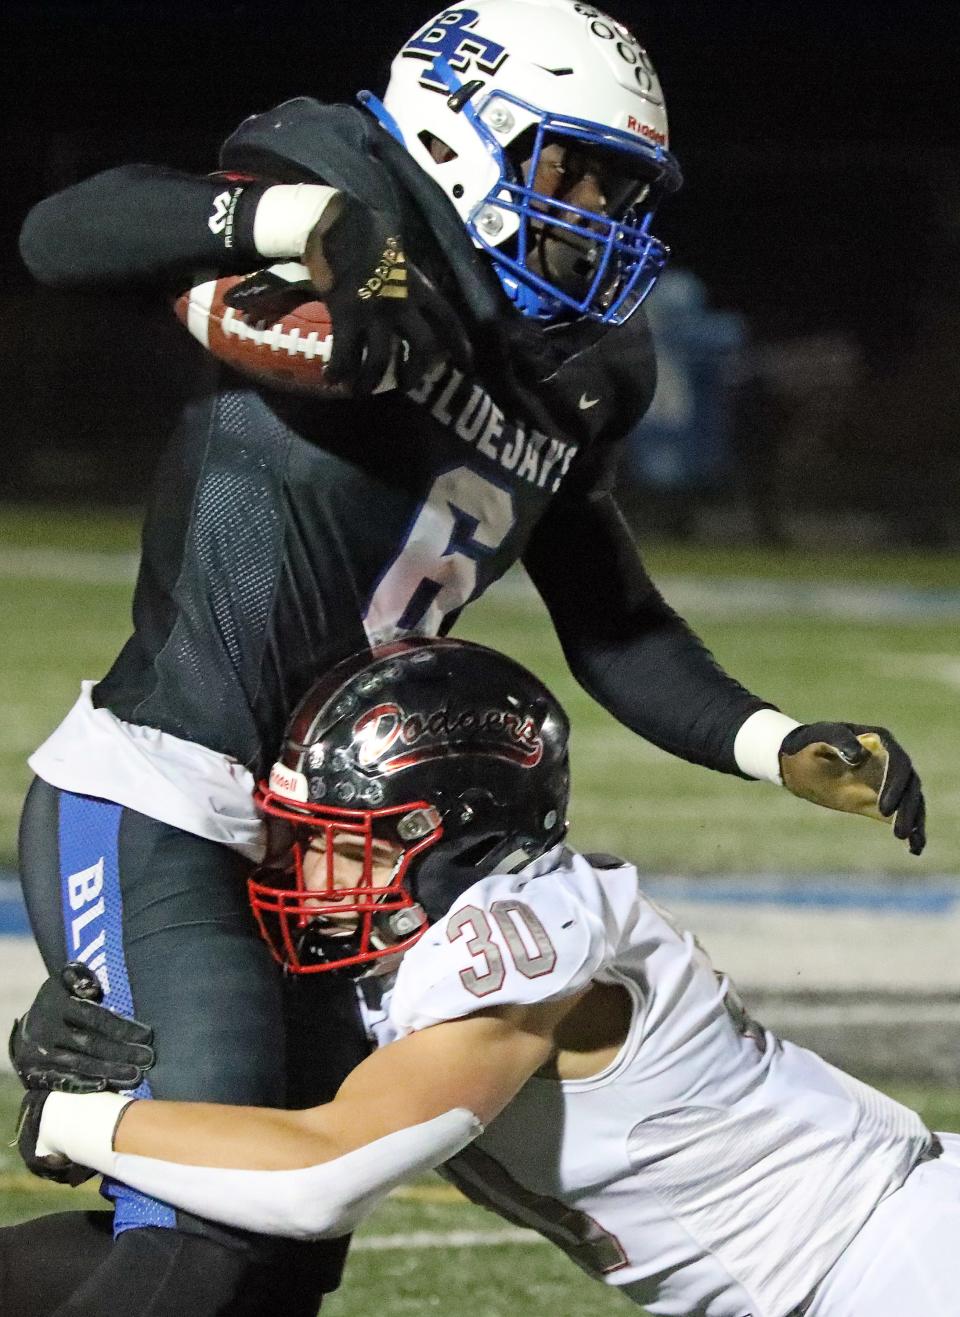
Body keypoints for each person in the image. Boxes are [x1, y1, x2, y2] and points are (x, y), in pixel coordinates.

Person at [7, 1, 925, 1314]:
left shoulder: (583, 366)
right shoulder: (351, 178)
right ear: (461, 121)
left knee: (267, 1263)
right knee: (207, 1242)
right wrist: (286, 228)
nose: (598, 209)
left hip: (342, 854)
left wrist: (772, 740)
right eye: (575, 167)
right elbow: (67, 233)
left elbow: (608, 611)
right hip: (174, 791)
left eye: (618, 185)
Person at [15, 637, 956, 1317]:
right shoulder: (426, 944)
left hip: (896, 1265)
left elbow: (321, 1174)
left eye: (339, 845)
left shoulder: (524, 940)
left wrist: (72, 1118)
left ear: (450, 838)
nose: (305, 873)